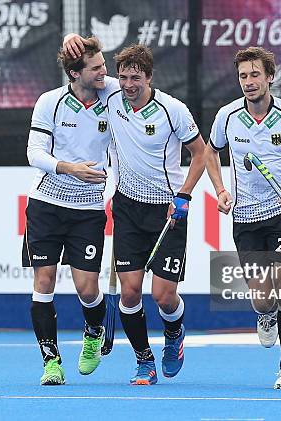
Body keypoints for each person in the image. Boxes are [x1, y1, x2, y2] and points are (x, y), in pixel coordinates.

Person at [64, 36, 206, 385]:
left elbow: (201, 154)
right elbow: (78, 75)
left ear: (149, 78)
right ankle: (144, 361)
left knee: (163, 295)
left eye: (136, 78)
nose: (128, 85)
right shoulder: (109, 93)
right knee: (129, 292)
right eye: (123, 77)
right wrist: (71, 39)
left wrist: (184, 195)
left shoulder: (173, 110)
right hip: (127, 207)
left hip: (167, 212)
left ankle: (174, 334)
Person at [204, 46, 281, 389]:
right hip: (245, 219)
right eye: (243, 76)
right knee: (262, 297)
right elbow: (210, 153)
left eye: (255, 74)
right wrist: (220, 189)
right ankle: (266, 313)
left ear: (270, 77)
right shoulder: (227, 117)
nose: (249, 82)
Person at [22, 36, 119, 385]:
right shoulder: (50, 102)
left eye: (104, 65)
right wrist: (69, 168)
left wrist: (71, 36)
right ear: (74, 74)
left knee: (87, 289)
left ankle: (93, 332)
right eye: (96, 68)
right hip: (46, 205)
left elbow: (137, 86)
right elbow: (34, 153)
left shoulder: (112, 95)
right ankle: (51, 362)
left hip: (88, 208)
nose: (104, 73)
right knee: (43, 281)